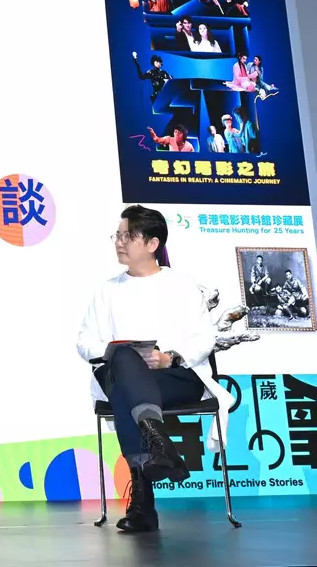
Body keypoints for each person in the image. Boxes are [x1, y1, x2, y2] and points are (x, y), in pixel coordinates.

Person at [76, 205, 216, 533]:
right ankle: (159, 443)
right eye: (118, 236)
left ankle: (143, 503)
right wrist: (111, 351)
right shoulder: (107, 289)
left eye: (128, 236)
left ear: (153, 244)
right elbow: (84, 342)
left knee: (125, 393)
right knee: (125, 360)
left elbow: (204, 338)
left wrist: (170, 357)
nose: (119, 242)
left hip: (175, 376)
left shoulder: (182, 284)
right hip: (122, 373)